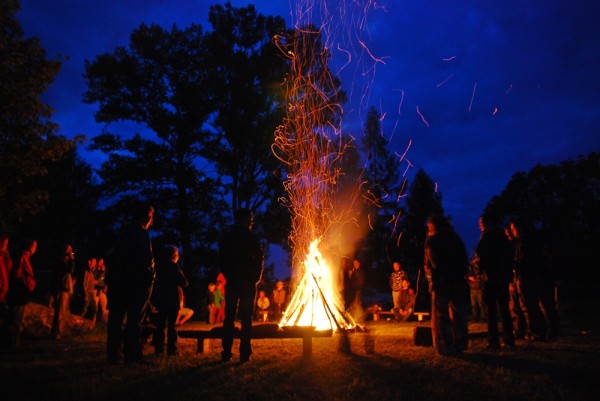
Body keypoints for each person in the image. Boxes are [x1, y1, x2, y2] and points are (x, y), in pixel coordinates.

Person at [106, 204, 155, 365]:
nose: (151, 222)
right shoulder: (141, 234)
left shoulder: (121, 234)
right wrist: (151, 275)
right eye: (151, 218)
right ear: (146, 217)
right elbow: (146, 260)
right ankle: (132, 355)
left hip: (118, 282)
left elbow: (110, 256)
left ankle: (113, 355)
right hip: (136, 283)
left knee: (116, 319)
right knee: (134, 320)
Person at [219, 208, 263, 363]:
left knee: (229, 317)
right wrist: (256, 277)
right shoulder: (251, 237)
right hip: (247, 282)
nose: (252, 220)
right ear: (245, 219)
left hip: (232, 281)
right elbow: (258, 258)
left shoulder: (228, 236)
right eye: (250, 218)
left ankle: (226, 352)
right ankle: (245, 353)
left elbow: (222, 259)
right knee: (246, 318)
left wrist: (228, 275)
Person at [424, 215, 470, 355]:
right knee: (458, 313)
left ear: (433, 226)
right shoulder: (455, 238)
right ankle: (460, 343)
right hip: (457, 281)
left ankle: (444, 346)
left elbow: (433, 262)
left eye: (429, 225)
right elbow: (464, 259)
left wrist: (431, 275)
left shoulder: (432, 240)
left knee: (440, 315)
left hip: (441, 282)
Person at [475, 213, 515, 348]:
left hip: (490, 277)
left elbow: (481, 255)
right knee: (504, 308)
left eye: (481, 222)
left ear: (487, 223)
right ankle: (509, 339)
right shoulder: (503, 237)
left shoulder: (487, 236)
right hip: (502, 276)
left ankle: (493, 340)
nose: (479, 225)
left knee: (491, 309)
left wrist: (479, 269)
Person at [152, 245, 188, 356]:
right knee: (172, 326)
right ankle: (172, 350)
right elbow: (184, 282)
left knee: (161, 325)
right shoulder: (174, 267)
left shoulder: (160, 267)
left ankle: (159, 349)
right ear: (175, 256)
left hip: (162, 299)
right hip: (173, 299)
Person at [6, 239, 37, 347]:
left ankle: (15, 340)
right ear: (30, 247)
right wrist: (26, 281)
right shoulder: (22, 256)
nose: (35, 249)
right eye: (34, 246)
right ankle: (12, 342)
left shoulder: (26, 257)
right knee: (15, 316)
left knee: (18, 317)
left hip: (21, 291)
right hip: (18, 291)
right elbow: (17, 273)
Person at [50, 244, 76, 339]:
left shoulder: (64, 260)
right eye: (69, 249)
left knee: (61, 311)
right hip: (61, 288)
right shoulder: (61, 260)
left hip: (63, 288)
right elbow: (70, 269)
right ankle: (56, 333)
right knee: (59, 311)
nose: (71, 251)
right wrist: (72, 259)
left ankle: (57, 331)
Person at [80, 257, 98, 322]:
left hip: (91, 292)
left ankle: (91, 323)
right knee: (84, 308)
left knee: (94, 309)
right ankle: (79, 320)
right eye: (94, 262)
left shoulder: (90, 271)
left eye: (95, 262)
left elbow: (91, 281)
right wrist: (85, 294)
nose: (95, 263)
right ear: (89, 262)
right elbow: (84, 283)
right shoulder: (86, 271)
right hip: (87, 292)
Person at [93, 258, 108, 326]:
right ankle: (93, 322)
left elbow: (104, 282)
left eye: (102, 262)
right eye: (100, 262)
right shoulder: (95, 271)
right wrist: (101, 273)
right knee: (94, 307)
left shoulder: (103, 272)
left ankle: (101, 323)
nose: (101, 264)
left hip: (102, 291)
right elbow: (95, 281)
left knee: (103, 308)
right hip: (95, 291)